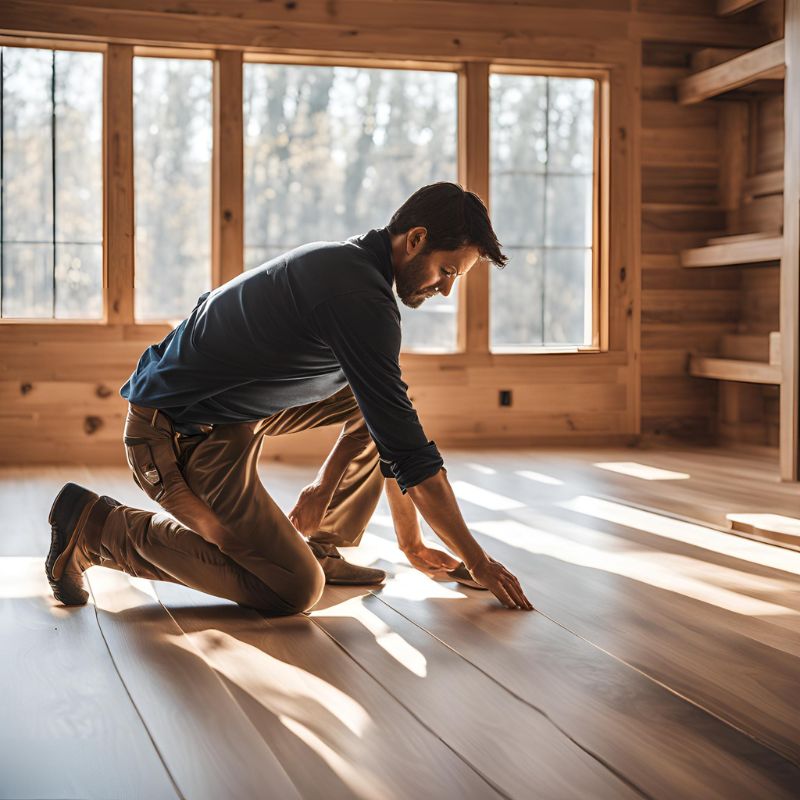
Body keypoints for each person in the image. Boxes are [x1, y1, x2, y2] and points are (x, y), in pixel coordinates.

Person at [45, 182, 533, 615]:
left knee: (380, 401)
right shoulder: (358, 299)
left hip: (231, 412)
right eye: (446, 271)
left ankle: (324, 543)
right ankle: (98, 528)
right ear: (417, 239)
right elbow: (412, 458)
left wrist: (409, 541)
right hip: (176, 432)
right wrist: (478, 560)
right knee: (294, 588)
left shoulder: (348, 265)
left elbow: (391, 425)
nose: (445, 290)